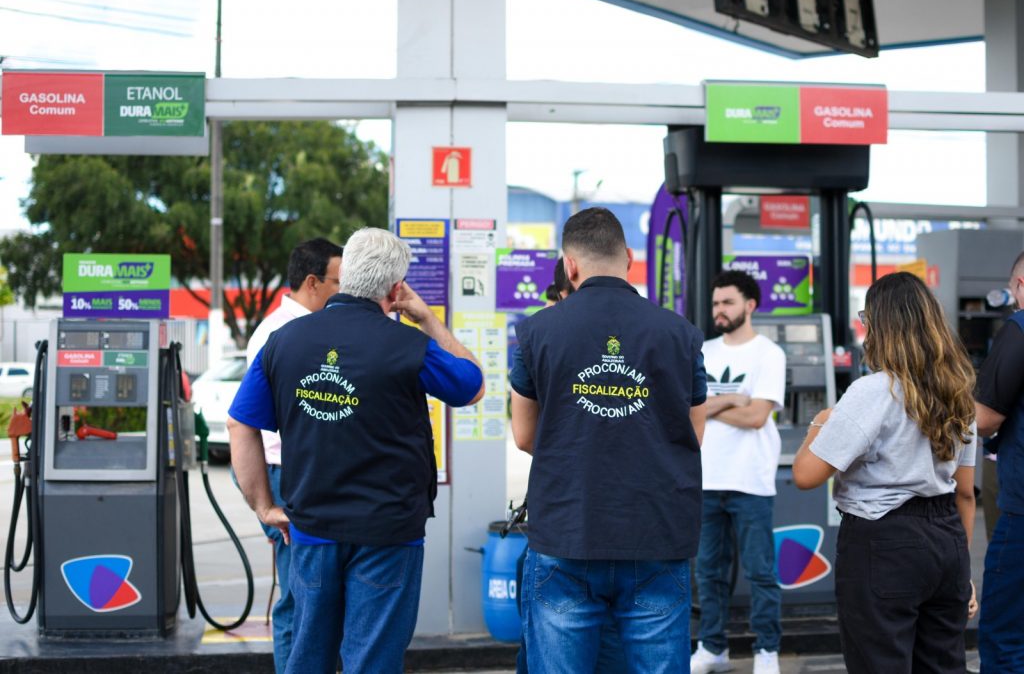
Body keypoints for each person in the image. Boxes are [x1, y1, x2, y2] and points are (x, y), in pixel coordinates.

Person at [227, 227, 485, 673]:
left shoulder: (283, 342)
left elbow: (240, 423)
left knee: (308, 656)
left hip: (311, 526)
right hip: (389, 533)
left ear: (345, 276)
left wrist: (265, 508)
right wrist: (426, 319)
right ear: (394, 288)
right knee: (372, 659)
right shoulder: (410, 346)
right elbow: (474, 384)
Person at [509, 207, 707, 673]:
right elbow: (693, 433)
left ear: (570, 265)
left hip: (566, 532)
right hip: (656, 532)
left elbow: (524, 435)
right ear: (630, 259)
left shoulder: (538, 331)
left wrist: (575, 443)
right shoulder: (680, 334)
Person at [793, 272, 977, 674]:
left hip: (882, 541)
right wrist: (962, 572)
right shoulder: (958, 390)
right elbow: (966, 493)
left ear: (880, 326)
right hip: (946, 538)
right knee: (944, 664)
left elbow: (805, 475)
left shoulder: (873, 391)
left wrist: (820, 423)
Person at [239, 237, 343, 674]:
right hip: (284, 471)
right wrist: (265, 503)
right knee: (298, 596)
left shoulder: (314, 328)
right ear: (314, 282)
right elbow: (246, 422)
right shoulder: (278, 333)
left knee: (315, 590)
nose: (346, 291)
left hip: (305, 472)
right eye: (340, 282)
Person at [691, 270, 785, 674]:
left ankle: (767, 651)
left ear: (750, 305)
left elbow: (757, 416)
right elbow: (686, 409)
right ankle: (713, 648)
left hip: (750, 479)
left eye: (727, 302)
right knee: (708, 571)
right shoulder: (703, 350)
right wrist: (730, 398)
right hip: (706, 478)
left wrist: (710, 406)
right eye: (715, 303)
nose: (719, 310)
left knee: (761, 571)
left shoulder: (768, 353)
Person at [976, 250, 1024, 672]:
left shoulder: (1019, 328)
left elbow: (985, 416)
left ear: (1020, 286)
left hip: (1023, 510)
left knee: (1004, 633)